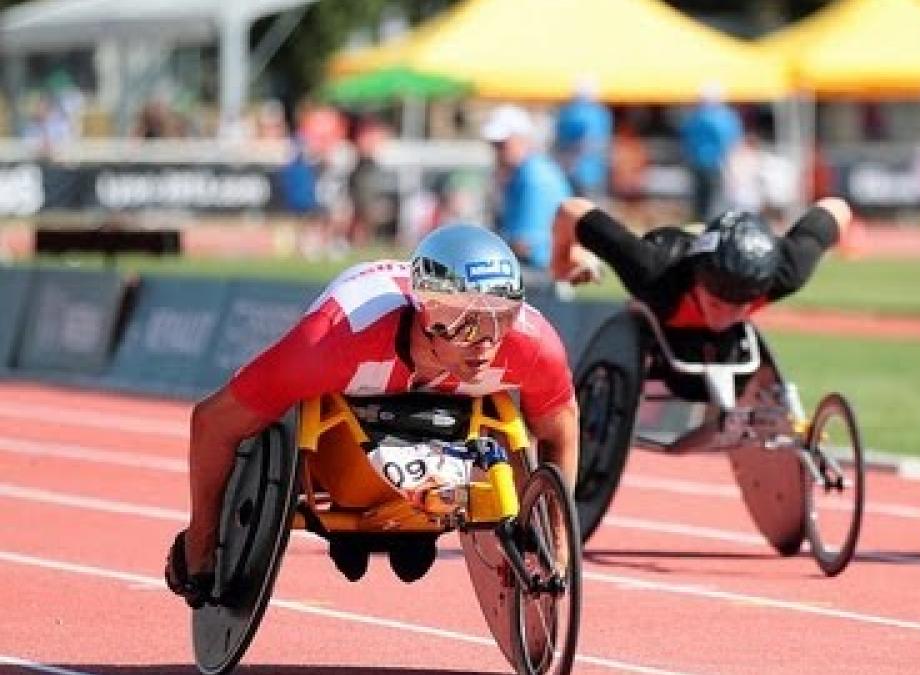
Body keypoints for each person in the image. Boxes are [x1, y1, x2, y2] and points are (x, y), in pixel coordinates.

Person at [165, 224, 580, 606]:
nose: (487, 344)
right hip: (343, 440)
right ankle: (367, 526)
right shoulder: (333, 338)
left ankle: (413, 530)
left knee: (412, 555)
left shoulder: (530, 344)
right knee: (365, 545)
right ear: (429, 314)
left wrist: (556, 542)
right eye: (467, 325)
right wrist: (201, 541)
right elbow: (213, 422)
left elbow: (561, 426)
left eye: (503, 319)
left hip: (442, 437)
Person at [551, 195, 852, 334]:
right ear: (698, 283)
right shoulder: (651, 270)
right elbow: (570, 209)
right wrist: (564, 261)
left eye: (739, 306)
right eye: (717, 304)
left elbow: (836, 207)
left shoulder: (785, 270)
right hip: (670, 256)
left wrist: (844, 242)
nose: (724, 319)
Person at [483, 104, 572, 275]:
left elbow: (523, 244)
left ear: (522, 139)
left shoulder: (534, 176)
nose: (497, 151)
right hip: (538, 269)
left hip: (541, 275)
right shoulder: (525, 172)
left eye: (502, 144)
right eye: (495, 145)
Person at [680, 86, 743, 221]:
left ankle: (700, 225)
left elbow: (685, 138)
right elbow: (731, 142)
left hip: (699, 163)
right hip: (716, 164)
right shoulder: (724, 117)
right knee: (715, 202)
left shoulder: (695, 117)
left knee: (700, 202)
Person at [554, 83, 613, 200]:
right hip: (588, 172)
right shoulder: (597, 112)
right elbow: (592, 141)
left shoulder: (570, 112)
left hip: (577, 171)